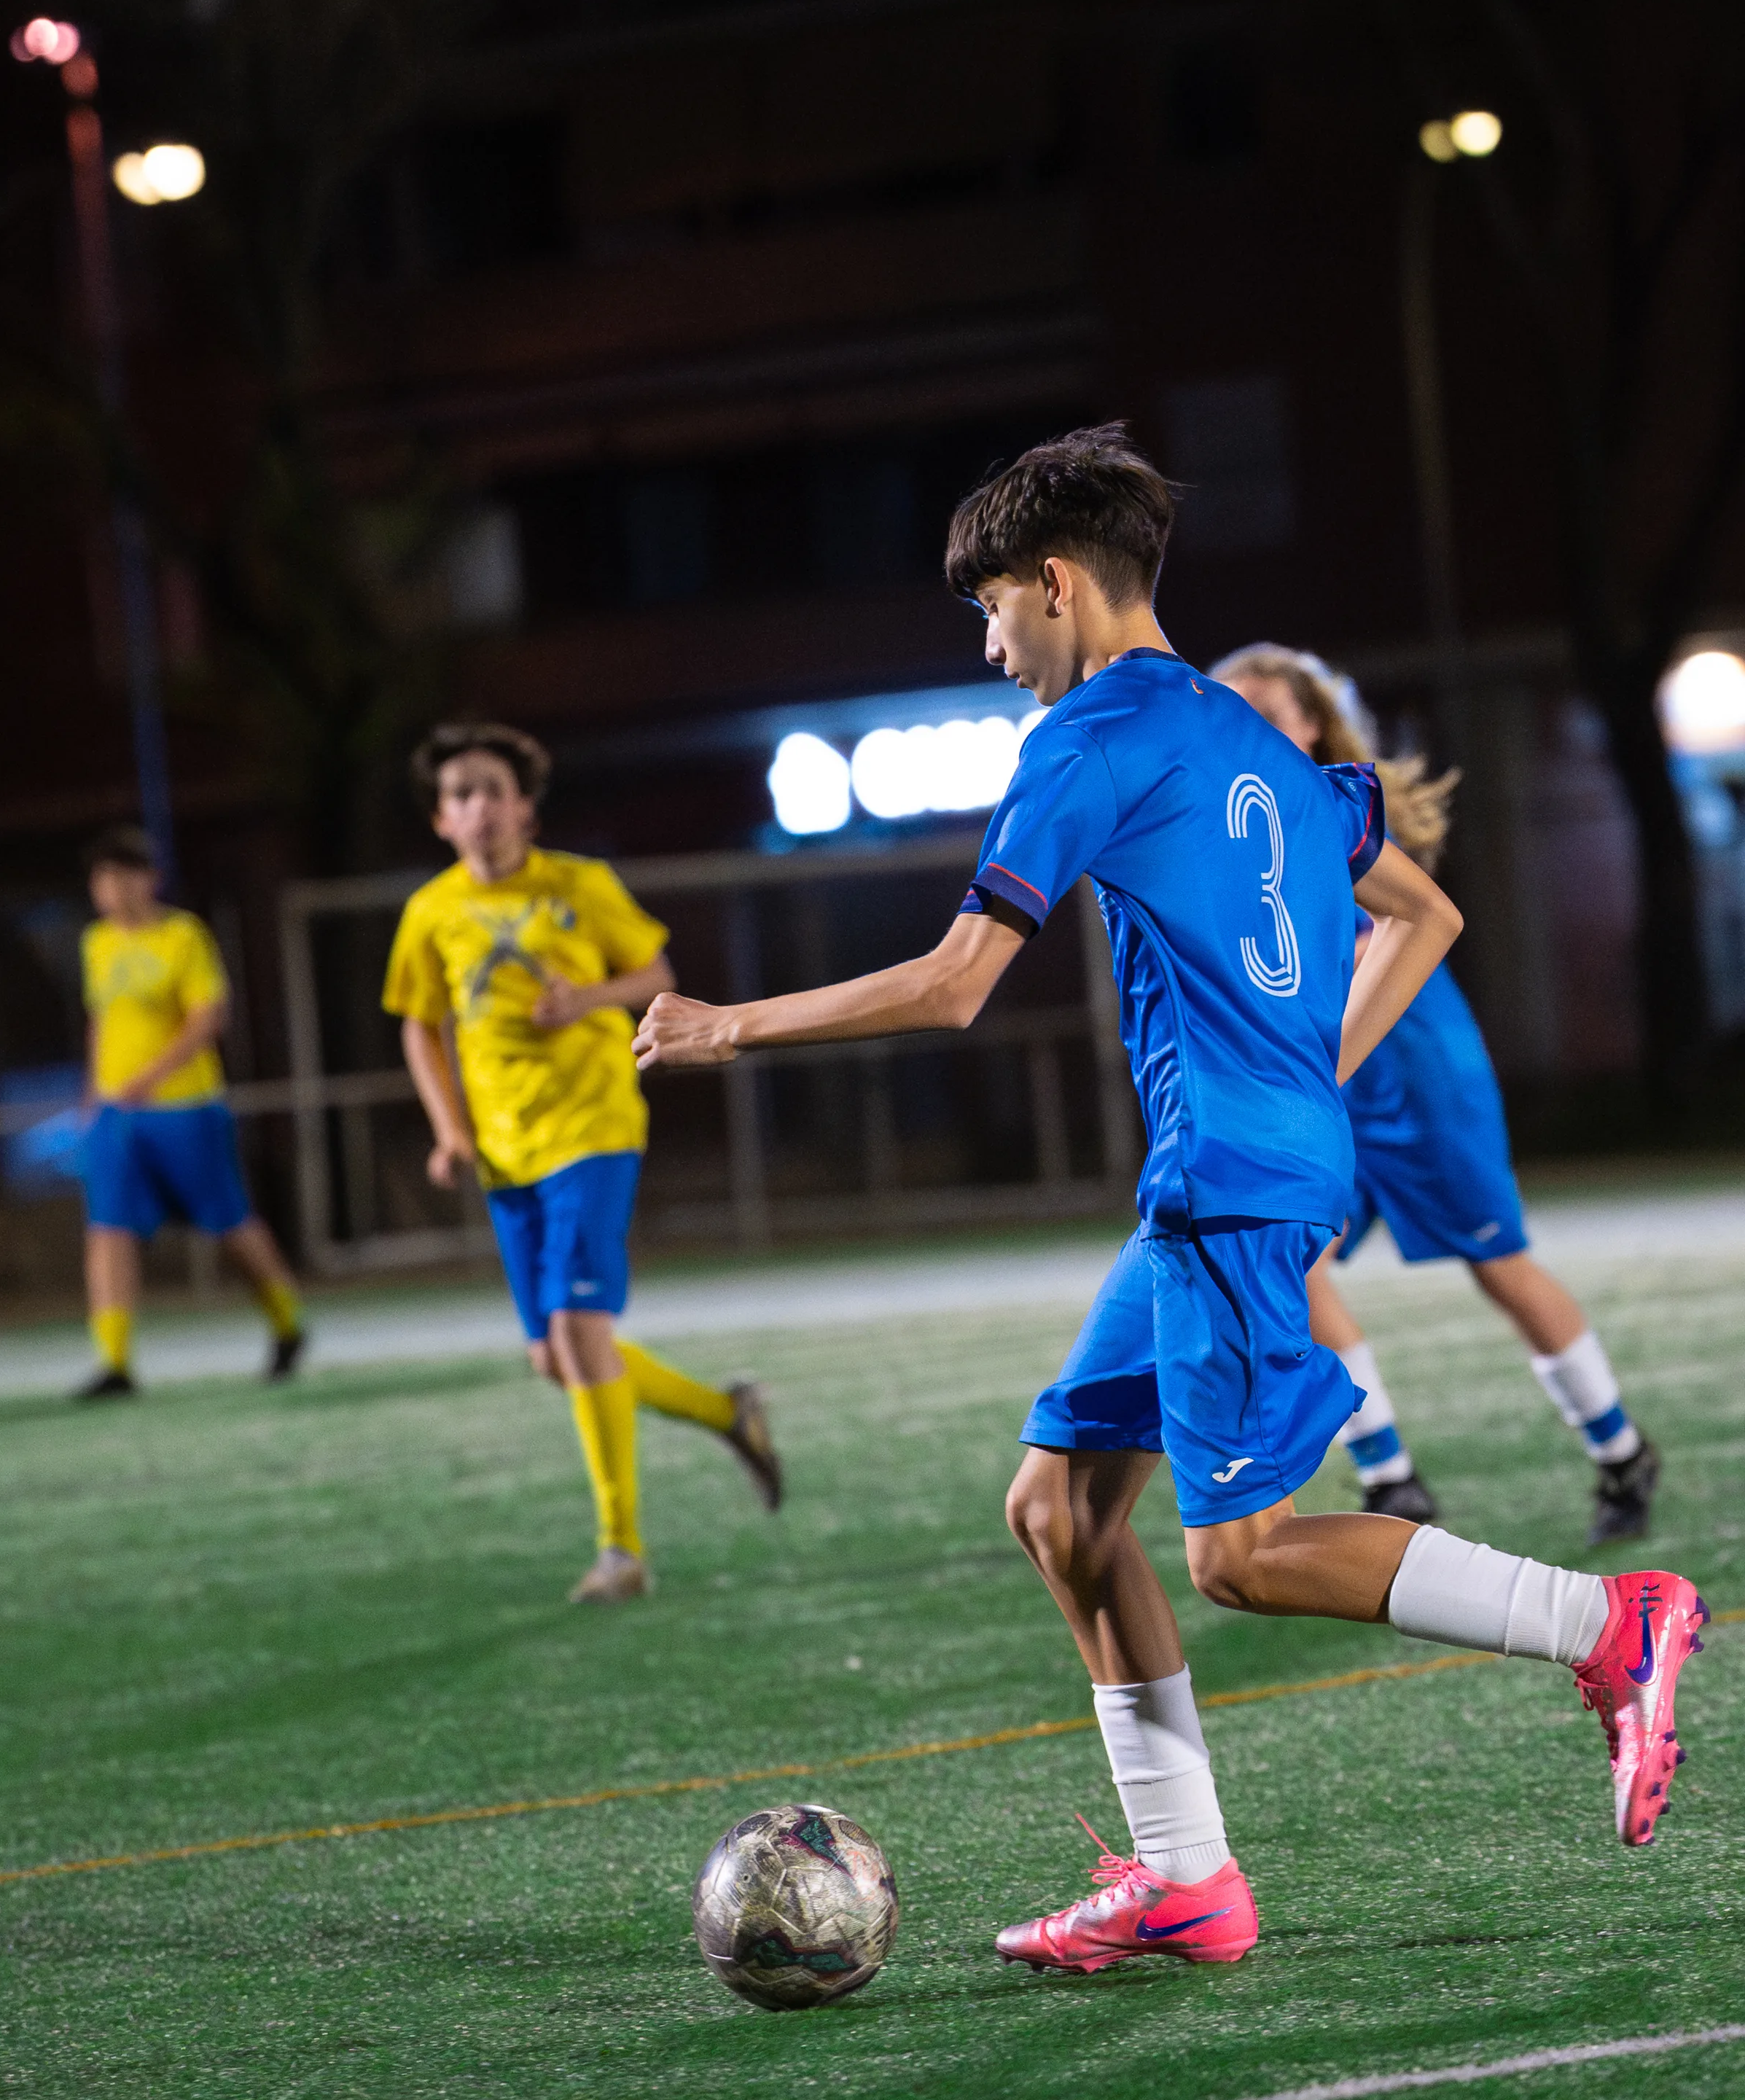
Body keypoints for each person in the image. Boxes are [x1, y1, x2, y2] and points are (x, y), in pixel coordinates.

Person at [634, 425, 1706, 1973]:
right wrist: (1309, 1063)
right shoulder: (1252, 739)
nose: (992, 644)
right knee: (1061, 1512)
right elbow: (1427, 903)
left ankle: (1611, 1625)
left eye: (991, 608)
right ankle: (1187, 1879)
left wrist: (725, 1024)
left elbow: (953, 990)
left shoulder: (1085, 744)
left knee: (1241, 1554)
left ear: (1059, 583)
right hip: (1227, 1173)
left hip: (1229, 1184)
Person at [1215, 643, 1658, 1547]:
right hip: (1325, 1080)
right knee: (1297, 1266)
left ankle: (1620, 1450)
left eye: (1268, 711)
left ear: (1313, 724)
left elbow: (1392, 936)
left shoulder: (1337, 803)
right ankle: (1391, 1476)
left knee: (1498, 1264)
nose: (1249, 727)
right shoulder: (1225, 826)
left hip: (1411, 1069)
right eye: (1234, 711)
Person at [382, 722, 781, 1604]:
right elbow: (419, 1024)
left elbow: (656, 973)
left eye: (493, 789)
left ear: (524, 805)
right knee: (558, 1357)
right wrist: (450, 1131)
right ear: (442, 821)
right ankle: (728, 1414)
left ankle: (621, 1551)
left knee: (576, 1333)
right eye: (460, 796)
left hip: (593, 1128)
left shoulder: (579, 885)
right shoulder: (431, 913)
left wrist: (587, 999)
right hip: (502, 1150)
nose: (478, 806)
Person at [74, 824, 305, 1397]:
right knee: (109, 1230)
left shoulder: (183, 936)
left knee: (228, 1226)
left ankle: (287, 1323)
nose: (113, 889)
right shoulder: (96, 943)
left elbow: (208, 1019)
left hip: (185, 1108)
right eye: (103, 878)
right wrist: (92, 1092)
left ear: (151, 879)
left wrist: (147, 1079)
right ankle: (115, 1363)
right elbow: (102, 1021)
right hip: (115, 1115)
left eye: (126, 875)